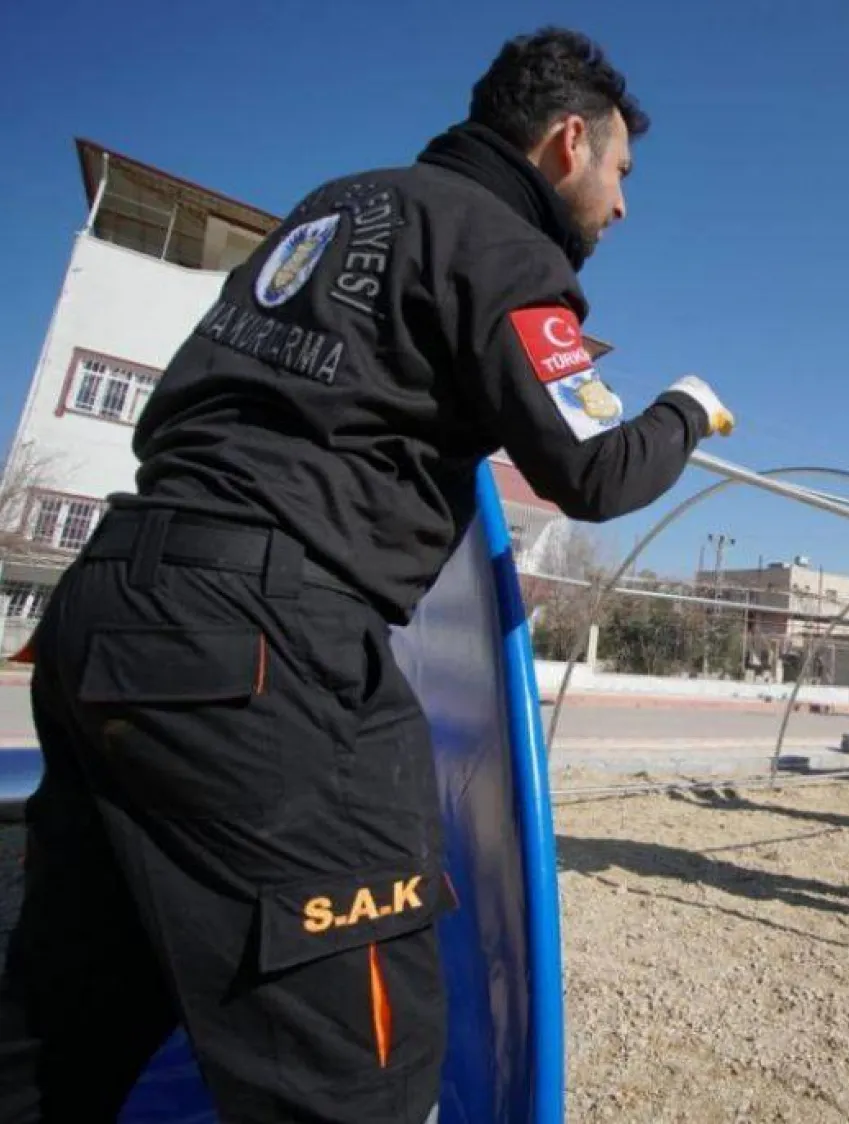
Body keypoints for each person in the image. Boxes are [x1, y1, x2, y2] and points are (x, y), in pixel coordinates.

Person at [0, 27, 733, 1123]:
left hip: (112, 599)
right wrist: (689, 409)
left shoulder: (339, 205)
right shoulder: (497, 240)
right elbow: (590, 466)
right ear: (565, 142)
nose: (621, 205)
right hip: (262, 645)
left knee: (69, 1020)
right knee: (358, 1070)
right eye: (619, 173)